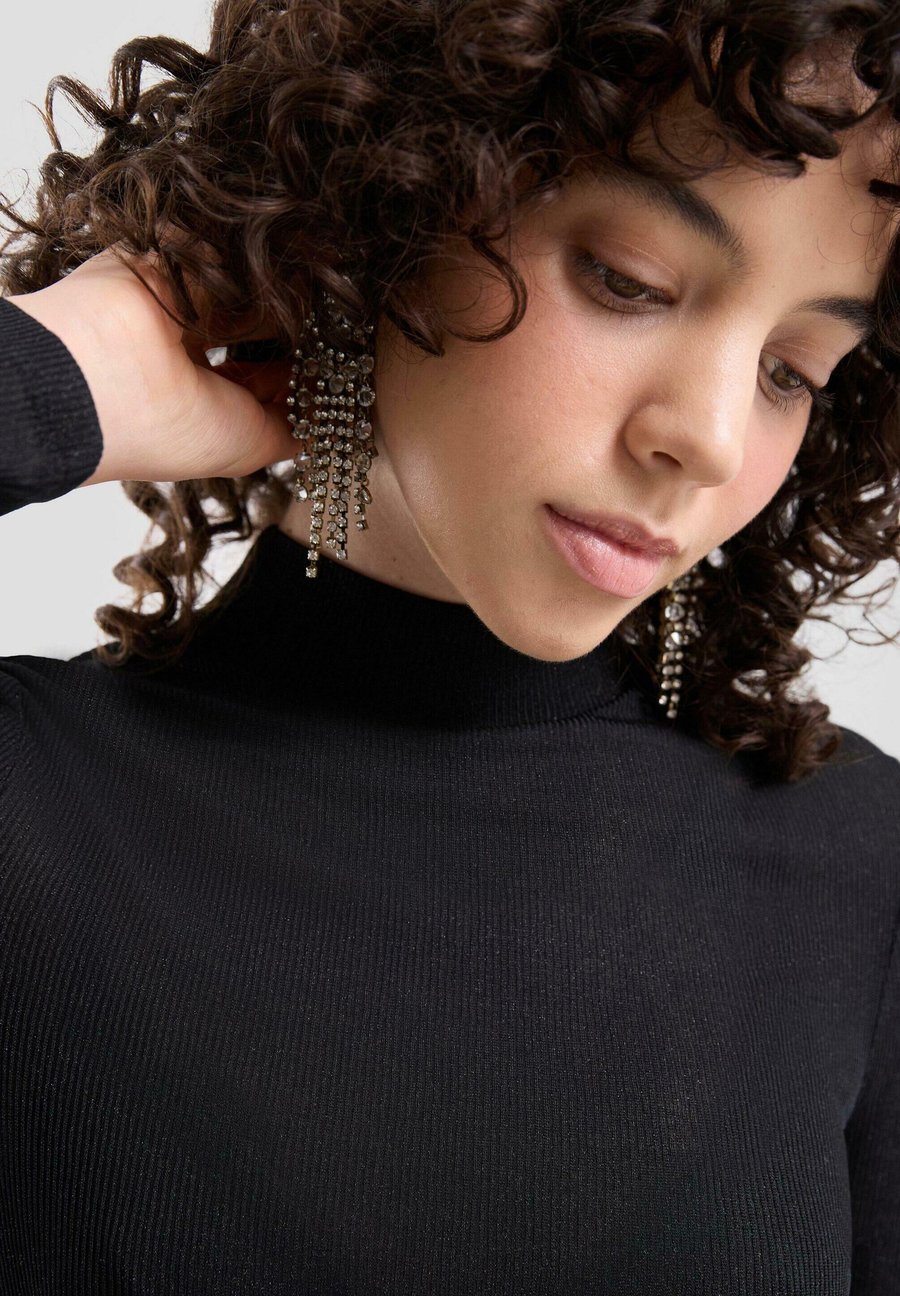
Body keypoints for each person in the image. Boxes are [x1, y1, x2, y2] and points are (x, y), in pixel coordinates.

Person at [1, 1, 899, 1290]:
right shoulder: (32, 806)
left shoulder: (857, 866)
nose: (706, 439)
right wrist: (58, 377)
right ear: (389, 205)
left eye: (792, 371)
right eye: (629, 281)